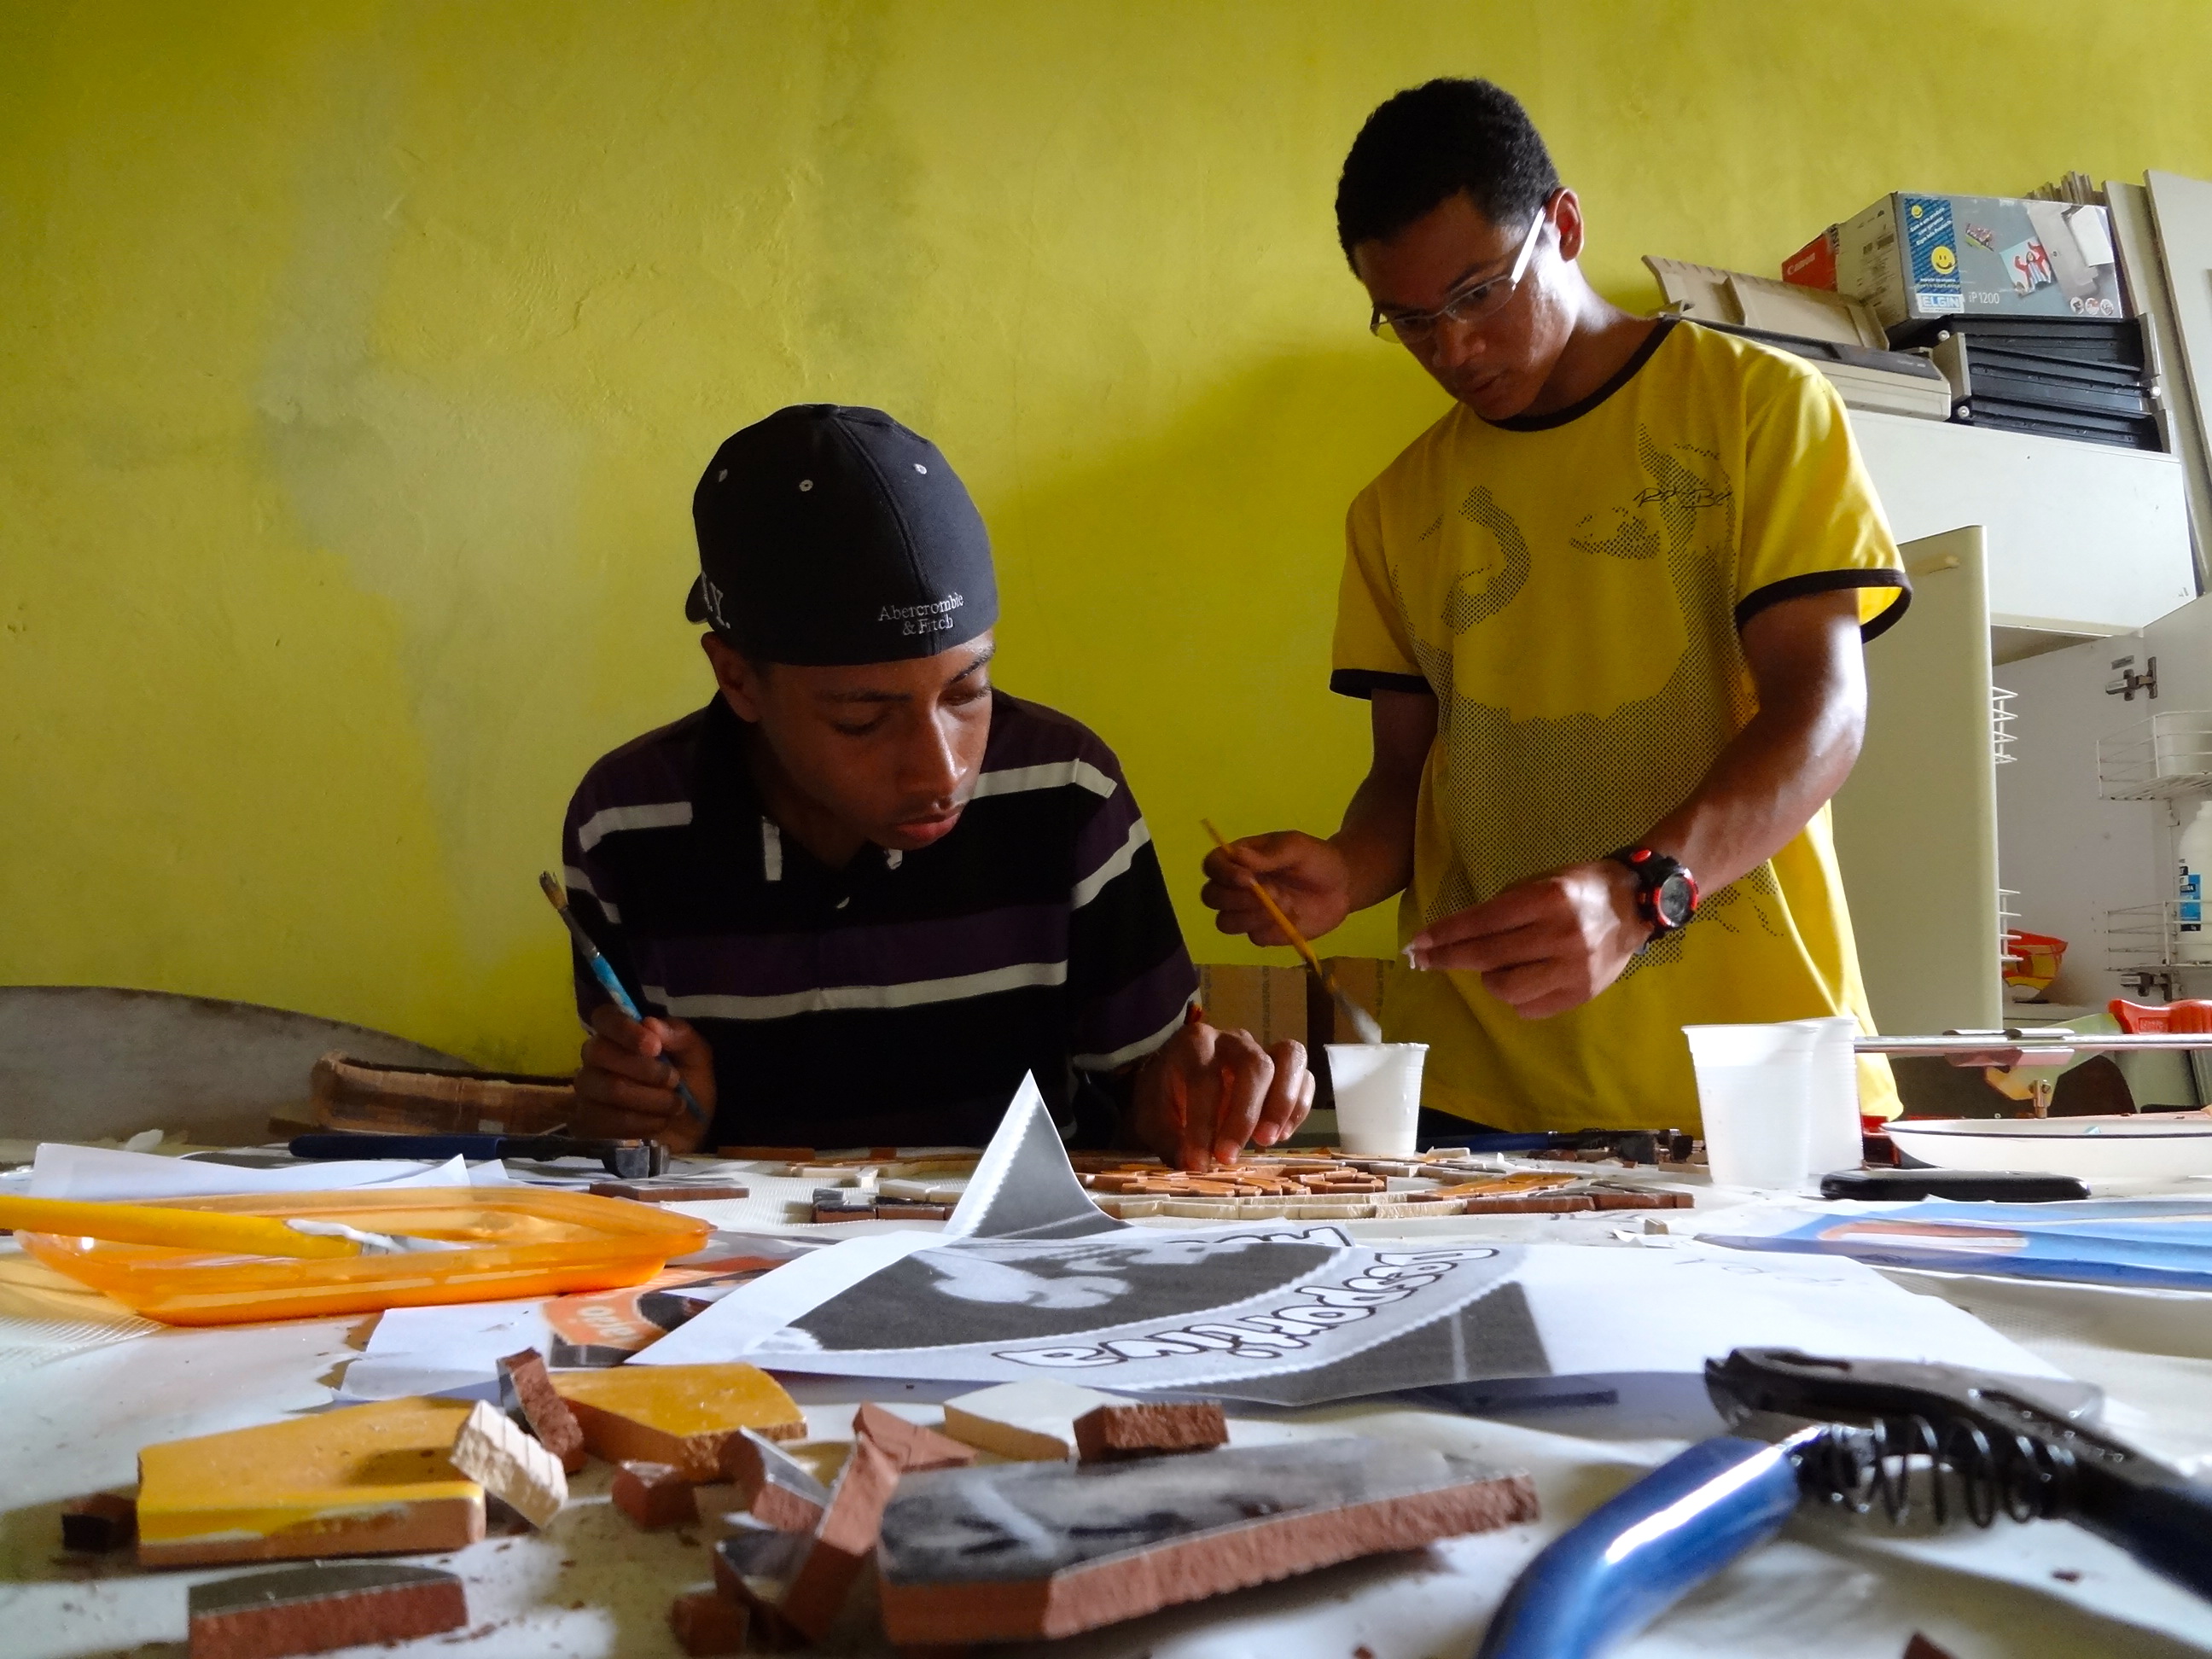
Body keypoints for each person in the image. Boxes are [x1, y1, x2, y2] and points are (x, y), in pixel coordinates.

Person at [1202, 79, 1906, 1133]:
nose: (1452, 350)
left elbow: (1822, 715)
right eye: (1409, 322)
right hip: (1472, 1099)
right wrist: (1342, 871)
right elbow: (1406, 782)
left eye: (1478, 295)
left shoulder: (1759, 409)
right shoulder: (1394, 509)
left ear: (1564, 226)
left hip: (1744, 1089)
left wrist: (1641, 892)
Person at [561, 404, 1311, 1163]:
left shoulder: (1063, 792)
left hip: (1022, 1237)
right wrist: (654, 1123)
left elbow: (1145, 1101)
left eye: (967, 692)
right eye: (862, 719)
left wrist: (1187, 1099)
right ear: (738, 680)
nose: (943, 769)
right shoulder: (627, 825)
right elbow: (637, 1127)